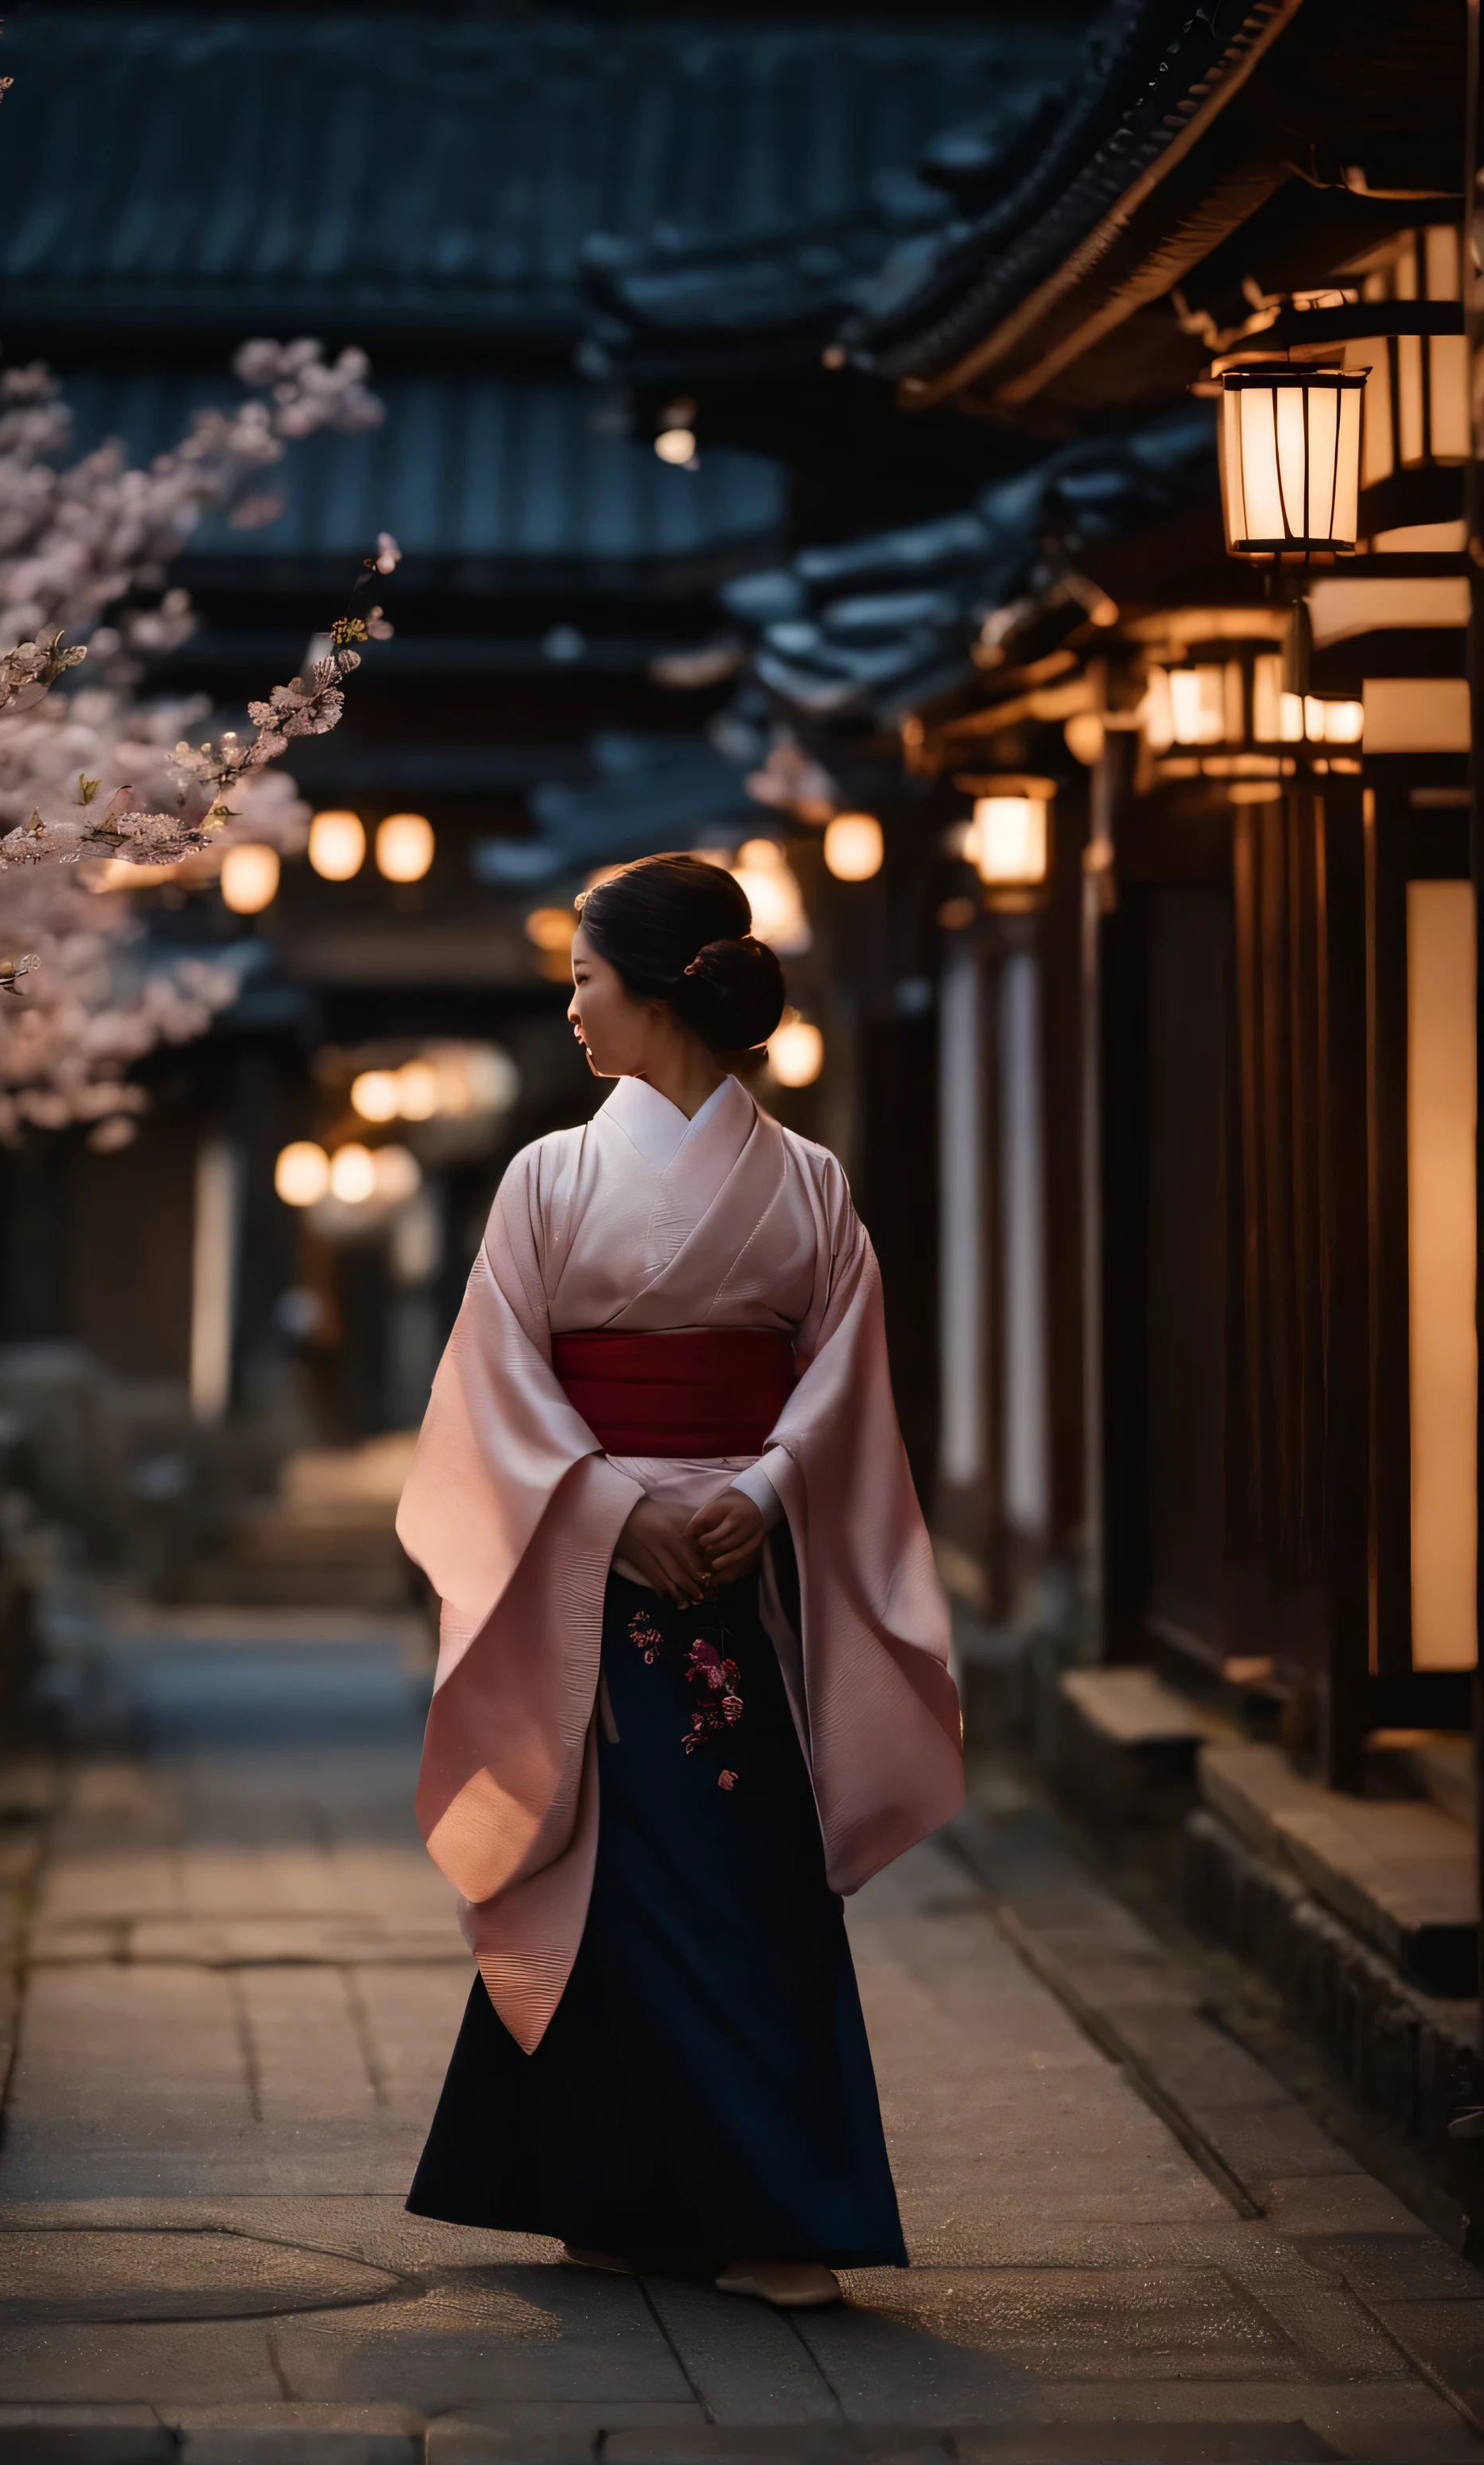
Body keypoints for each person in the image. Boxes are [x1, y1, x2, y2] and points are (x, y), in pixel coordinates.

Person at [398, 852, 963, 2309]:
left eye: (586, 980)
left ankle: (774, 2214)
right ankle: (624, 2196)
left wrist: (766, 1489)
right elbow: (497, 1388)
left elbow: (845, 1379)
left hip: (724, 1571)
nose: (572, 1008)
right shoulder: (557, 1176)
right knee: (608, 1870)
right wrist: (610, 1505)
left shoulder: (806, 1187)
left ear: (655, 992)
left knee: (740, 1878)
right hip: (610, 1575)